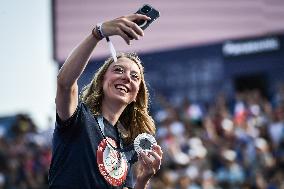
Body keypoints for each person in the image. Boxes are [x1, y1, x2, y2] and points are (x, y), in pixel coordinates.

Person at [48, 13, 163, 189]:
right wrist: (97, 33)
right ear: (102, 80)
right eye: (118, 70)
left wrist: (142, 181)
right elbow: (65, 84)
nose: (126, 78)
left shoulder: (125, 149)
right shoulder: (78, 120)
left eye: (134, 76)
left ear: (135, 95)